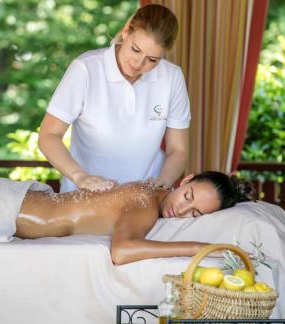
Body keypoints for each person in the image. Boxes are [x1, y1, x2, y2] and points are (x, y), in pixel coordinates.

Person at [38, 4, 190, 193]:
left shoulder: (172, 77)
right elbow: (48, 136)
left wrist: (163, 180)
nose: (138, 63)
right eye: (135, 49)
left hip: (143, 199)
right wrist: (81, 177)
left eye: (152, 60)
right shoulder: (86, 68)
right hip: (83, 196)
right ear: (126, 30)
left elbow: (178, 149)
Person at [16, 171, 254, 264]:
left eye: (194, 213)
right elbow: (122, 251)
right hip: (11, 209)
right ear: (185, 180)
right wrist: (199, 248)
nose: (181, 211)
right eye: (187, 196)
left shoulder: (148, 191)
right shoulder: (146, 202)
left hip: (21, 203)